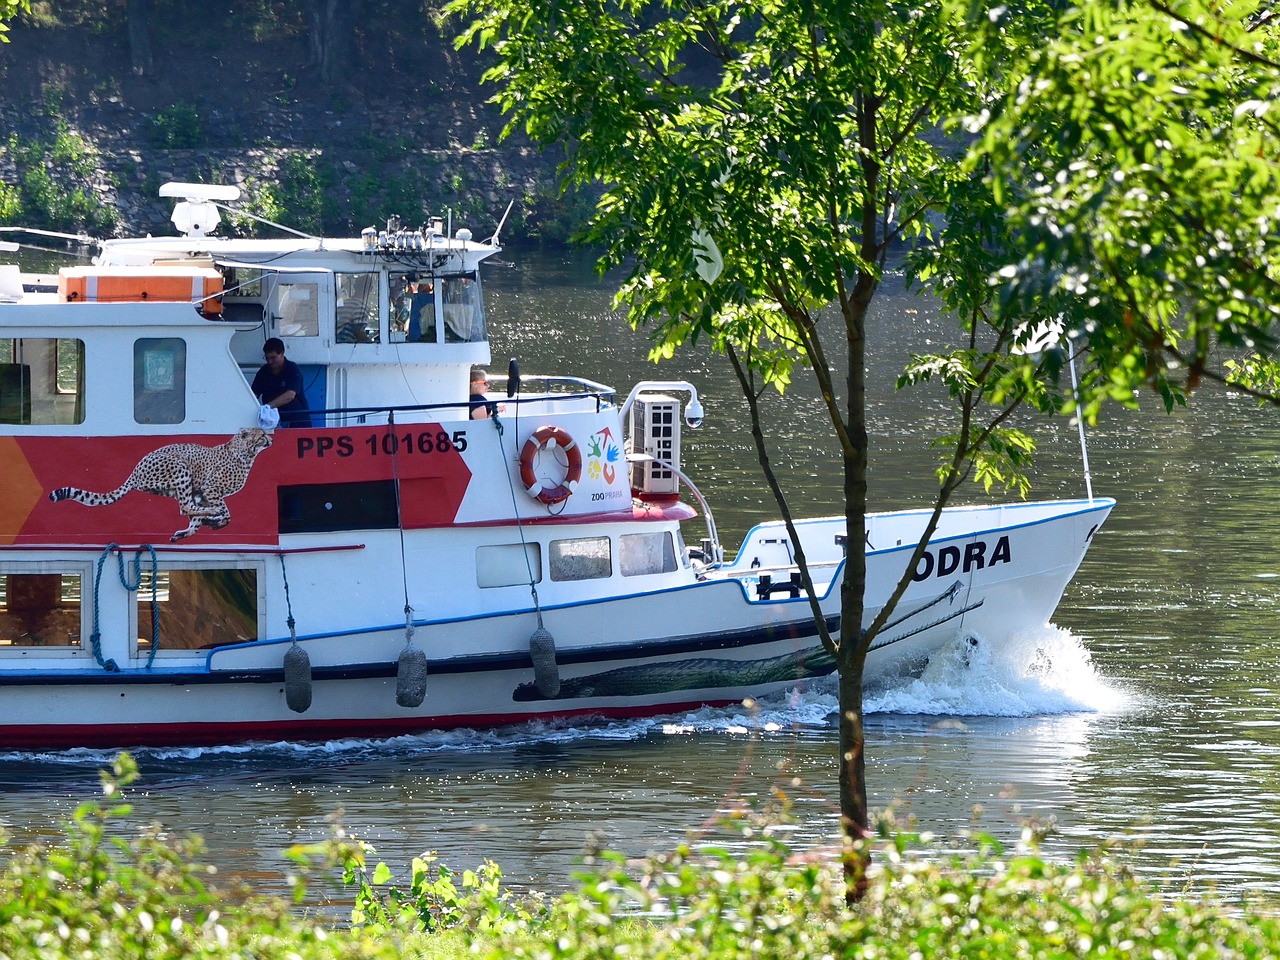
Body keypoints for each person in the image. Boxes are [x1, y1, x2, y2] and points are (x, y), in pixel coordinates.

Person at [252, 338, 311, 428]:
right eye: (267, 358)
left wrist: (267, 407)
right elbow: (254, 394)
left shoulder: (292, 369)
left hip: (296, 421)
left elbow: (290, 395)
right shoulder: (263, 372)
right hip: (272, 421)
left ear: (282, 353)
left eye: (273, 357)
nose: (270, 361)